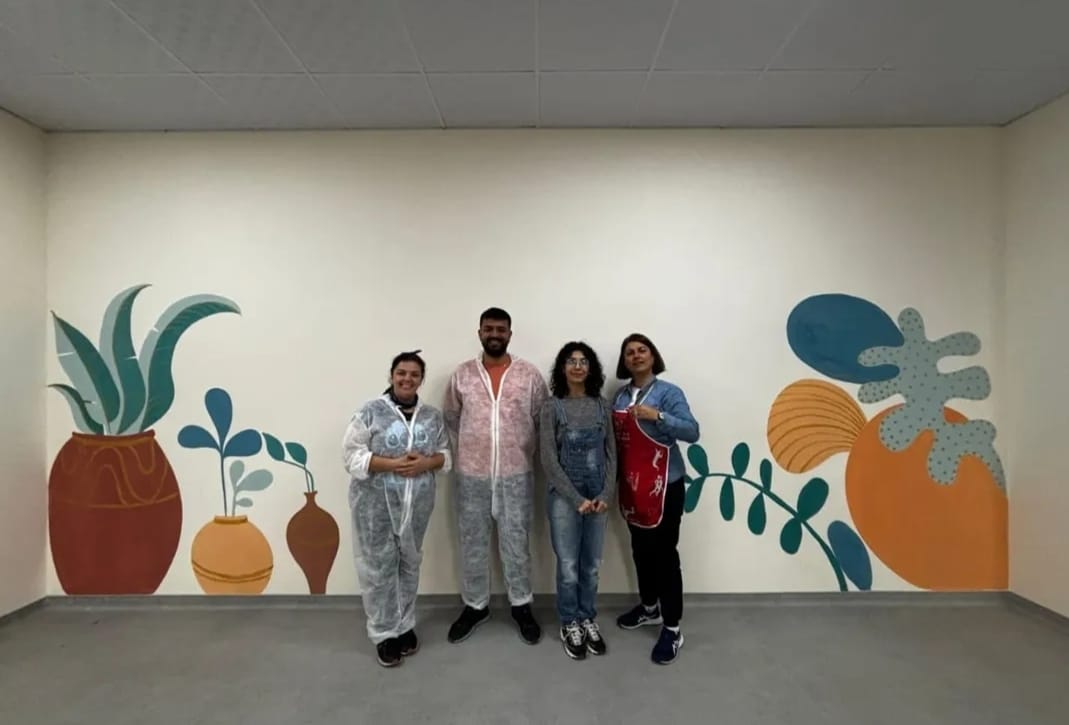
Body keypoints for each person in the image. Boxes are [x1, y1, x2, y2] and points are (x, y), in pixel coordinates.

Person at [444, 307, 549, 645]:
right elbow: (451, 419)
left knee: (516, 541)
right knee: (472, 541)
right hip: (471, 475)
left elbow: (541, 420)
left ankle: (521, 605)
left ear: (509, 334)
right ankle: (475, 606)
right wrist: (470, 453)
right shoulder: (462, 375)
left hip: (516, 474)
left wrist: (522, 452)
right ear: (479, 332)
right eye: (488, 328)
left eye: (500, 329)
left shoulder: (529, 375)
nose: (494, 334)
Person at [342, 350, 450, 668]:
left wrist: (426, 463)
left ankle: (404, 625)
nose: (407, 379)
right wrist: (393, 464)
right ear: (391, 375)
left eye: (414, 374)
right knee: (379, 567)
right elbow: (351, 455)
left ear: (421, 379)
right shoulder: (370, 412)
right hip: (374, 506)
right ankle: (384, 633)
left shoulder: (431, 417)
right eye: (401, 373)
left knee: (409, 563)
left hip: (417, 506)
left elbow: (445, 454)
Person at [611, 333, 700, 665]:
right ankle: (649, 607)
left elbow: (692, 431)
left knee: (665, 556)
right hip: (633, 486)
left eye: (642, 350)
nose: (636, 356)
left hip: (666, 486)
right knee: (640, 550)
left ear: (652, 356)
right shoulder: (619, 396)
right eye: (629, 352)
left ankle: (672, 627)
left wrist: (658, 416)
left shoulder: (668, 393)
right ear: (624, 361)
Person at [540, 342, 617, 660]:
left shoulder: (602, 406)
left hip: (598, 497)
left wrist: (605, 494)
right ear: (562, 368)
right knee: (569, 565)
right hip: (564, 498)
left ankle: (587, 617)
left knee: (592, 565)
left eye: (583, 361)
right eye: (571, 361)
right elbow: (548, 459)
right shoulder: (551, 407)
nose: (577, 366)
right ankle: (569, 621)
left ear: (591, 368)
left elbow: (612, 454)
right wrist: (575, 498)